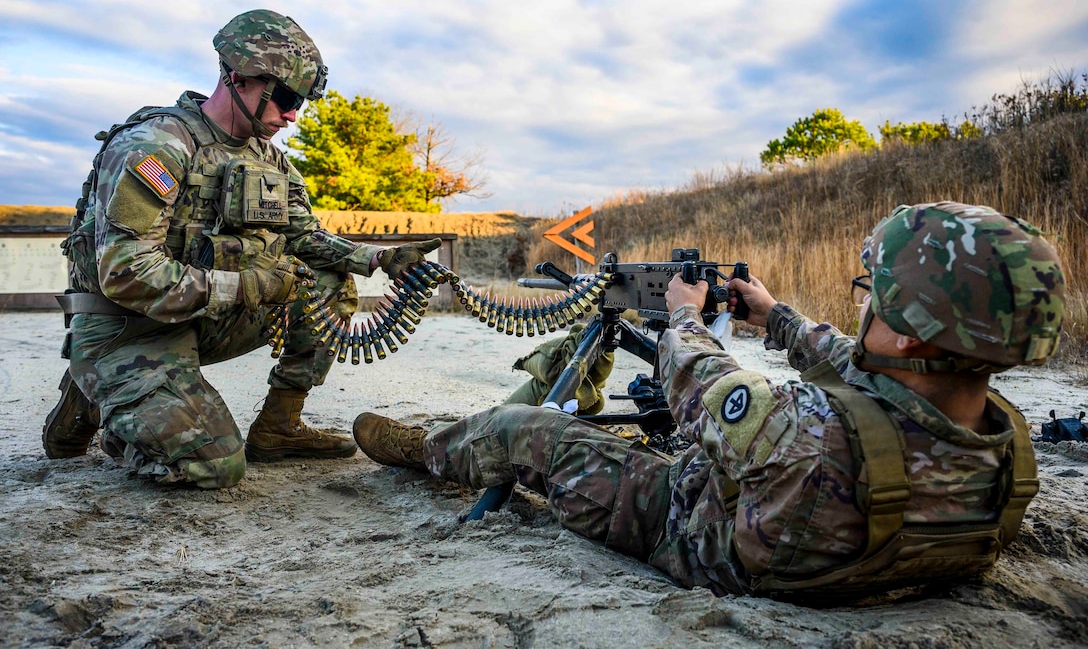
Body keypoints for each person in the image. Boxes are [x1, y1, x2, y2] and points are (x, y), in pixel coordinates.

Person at [352, 202, 1066, 598]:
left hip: (700, 534)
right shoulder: (1002, 442)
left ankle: (432, 451)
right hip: (846, 549)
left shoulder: (803, 435)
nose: (863, 307)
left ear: (913, 337)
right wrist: (773, 315)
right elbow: (861, 367)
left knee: (527, 430)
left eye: (875, 298)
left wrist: (685, 315)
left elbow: (702, 386)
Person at [43, 9, 440, 489]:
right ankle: (105, 402)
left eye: (301, 103)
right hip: (127, 328)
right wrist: (249, 284)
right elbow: (125, 272)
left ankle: (278, 428)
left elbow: (303, 236)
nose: (292, 115)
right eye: (286, 98)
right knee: (214, 466)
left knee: (329, 282)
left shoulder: (268, 158)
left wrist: (378, 259)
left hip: (200, 317)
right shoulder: (158, 146)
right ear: (237, 78)